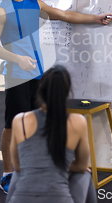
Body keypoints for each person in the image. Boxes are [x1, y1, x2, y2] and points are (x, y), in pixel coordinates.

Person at [0, 0, 112, 193]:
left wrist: (95, 19)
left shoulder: (35, 5)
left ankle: (34, 166)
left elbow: (65, 15)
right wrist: (18, 59)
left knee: (40, 123)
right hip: (16, 75)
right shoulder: (2, 10)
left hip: (38, 75)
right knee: (13, 126)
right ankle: (7, 172)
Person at [6, 65, 97, 203]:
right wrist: (62, 163)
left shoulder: (20, 120)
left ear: (40, 90)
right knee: (85, 174)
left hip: (21, 199)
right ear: (67, 93)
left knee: (18, 174)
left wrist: (36, 162)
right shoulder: (77, 121)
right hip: (59, 199)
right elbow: (81, 166)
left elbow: (18, 166)